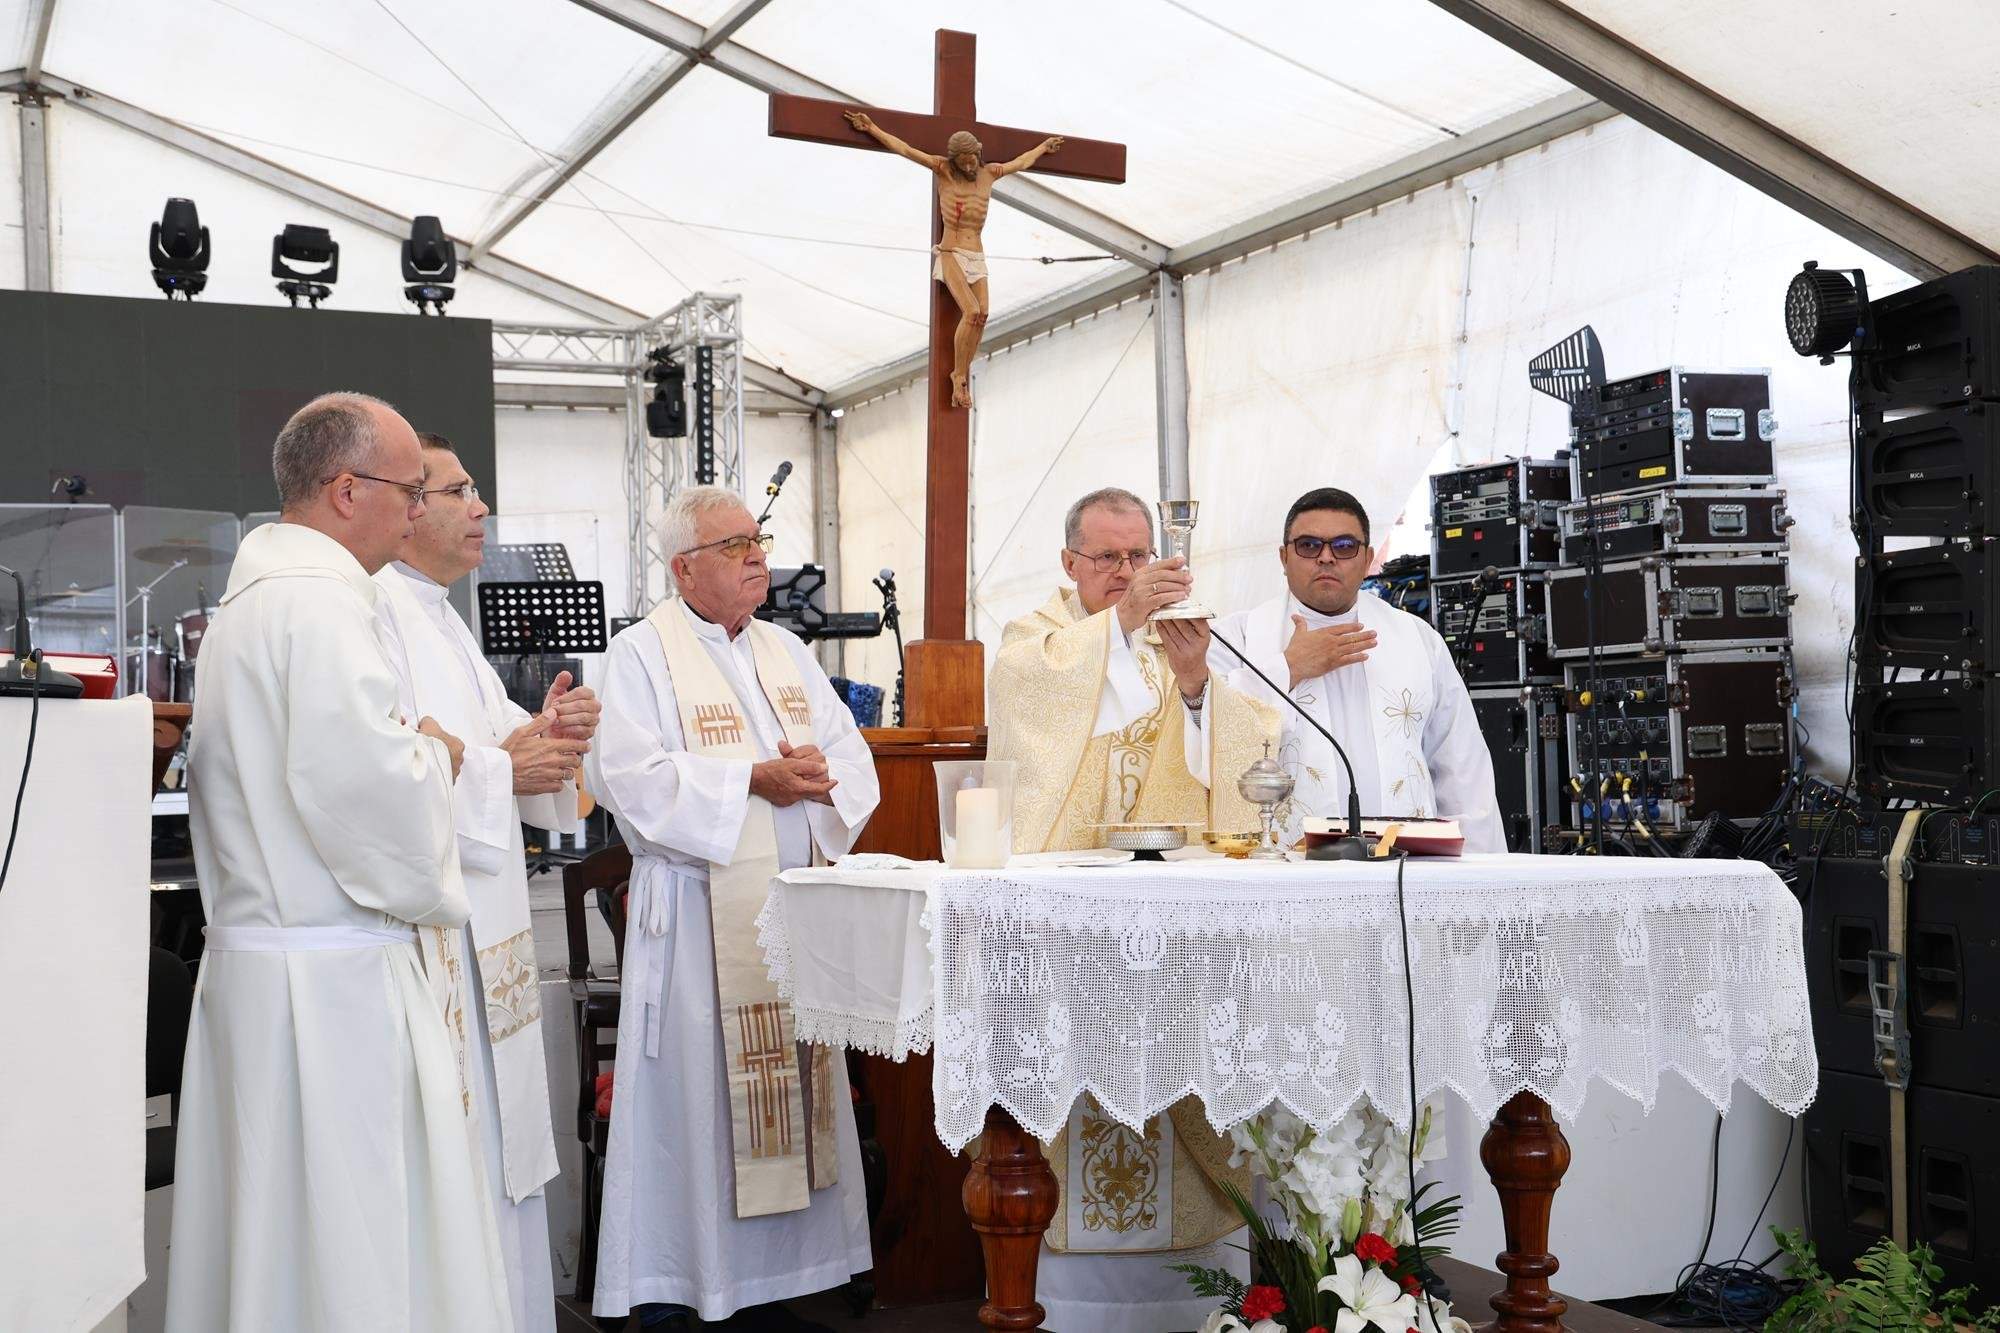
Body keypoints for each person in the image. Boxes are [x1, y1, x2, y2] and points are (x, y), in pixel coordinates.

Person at [167, 393, 512, 1332]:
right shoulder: (318, 608)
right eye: (408, 490)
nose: (419, 510)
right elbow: (364, 796)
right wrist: (436, 754)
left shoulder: (258, 597)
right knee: (355, 1247)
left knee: (276, 1239)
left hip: (266, 971)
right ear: (347, 490)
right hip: (331, 987)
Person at [584, 485, 880, 1331]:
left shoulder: (787, 650)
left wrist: (814, 778)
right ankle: (691, 1286)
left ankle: (782, 1282)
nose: (758, 555)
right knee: (700, 1118)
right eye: (735, 544)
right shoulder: (641, 654)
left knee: (787, 1100)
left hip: (786, 921)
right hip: (695, 926)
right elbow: (632, 784)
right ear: (684, 568)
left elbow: (850, 761)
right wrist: (754, 778)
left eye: (759, 539)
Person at [985, 485, 1278, 1333]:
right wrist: (1115, 631)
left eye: (1139, 555)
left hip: (1169, 929)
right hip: (1065, 930)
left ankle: (1192, 1309)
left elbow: (1249, 744)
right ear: (1069, 561)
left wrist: (1194, 687)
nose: (1126, 571)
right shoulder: (1034, 638)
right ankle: (1063, 1310)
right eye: (1108, 556)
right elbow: (1025, 695)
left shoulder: (1176, 638)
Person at [371, 433, 601, 1333]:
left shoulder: (445, 613)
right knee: (459, 1150)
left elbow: (502, 742)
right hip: (442, 926)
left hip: (490, 924)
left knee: (501, 1146)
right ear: (406, 507)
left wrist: (554, 727)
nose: (481, 508)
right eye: (460, 491)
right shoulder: (377, 609)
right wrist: (512, 760)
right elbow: (405, 756)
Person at [1211, 486, 1504, 851]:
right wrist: (1289, 667)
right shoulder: (1236, 638)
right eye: (1309, 545)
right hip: (1283, 872)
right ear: (1284, 557)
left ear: (1367, 559)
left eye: (1345, 546)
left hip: (1405, 872)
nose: (1327, 558)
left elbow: (1461, 767)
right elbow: (1208, 747)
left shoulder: (1418, 640)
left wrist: (1476, 873)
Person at [843, 109, 1063, 408]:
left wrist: (1042, 147)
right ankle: (958, 376)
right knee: (971, 312)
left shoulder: (989, 173)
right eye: (965, 160)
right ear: (955, 159)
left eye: (974, 158)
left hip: (977, 254)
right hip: (951, 252)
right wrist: (872, 129)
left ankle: (962, 372)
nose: (970, 165)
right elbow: (905, 148)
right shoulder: (943, 170)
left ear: (978, 154)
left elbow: (1020, 162)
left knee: (983, 314)